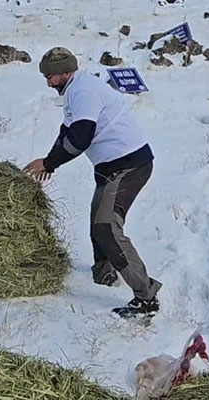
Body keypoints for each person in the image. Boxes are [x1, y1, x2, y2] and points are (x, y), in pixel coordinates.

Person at [24, 47, 161, 319]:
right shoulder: (74, 90)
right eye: (45, 77)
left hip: (130, 165)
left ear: (66, 71)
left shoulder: (84, 91)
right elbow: (67, 132)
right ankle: (105, 273)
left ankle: (146, 297)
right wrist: (49, 160)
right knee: (97, 222)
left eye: (51, 77)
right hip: (110, 167)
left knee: (107, 226)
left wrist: (50, 163)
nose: (48, 82)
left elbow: (81, 137)